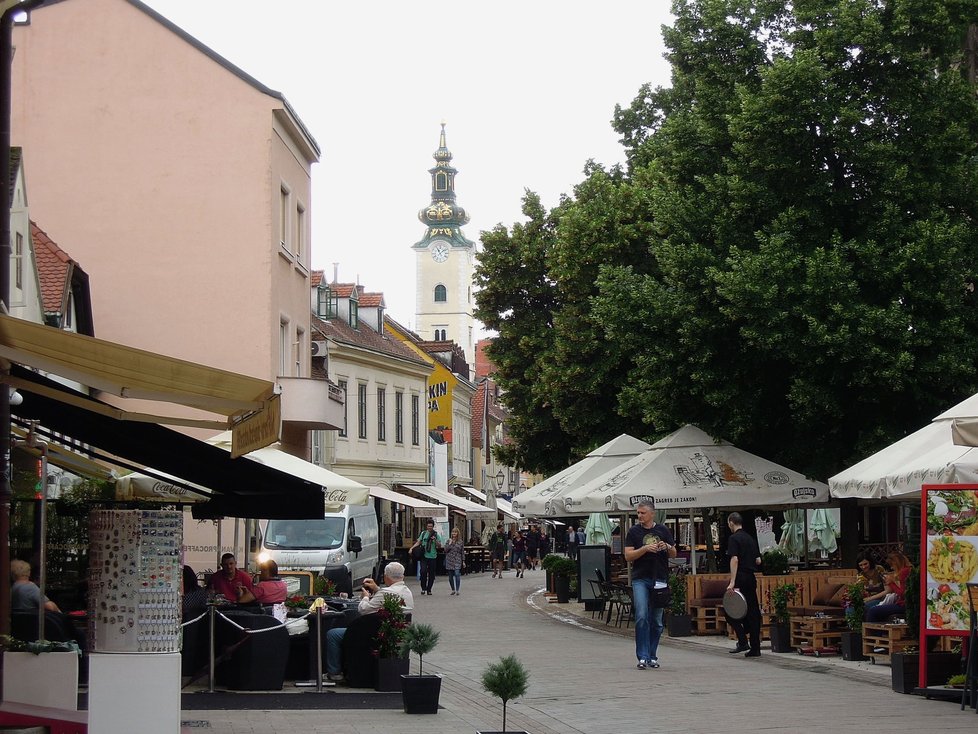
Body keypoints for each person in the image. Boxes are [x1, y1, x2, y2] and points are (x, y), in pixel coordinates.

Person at [325, 561, 414, 683]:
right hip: (394, 634)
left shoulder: (386, 593)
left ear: (385, 576)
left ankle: (334, 672)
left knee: (333, 634)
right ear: (402, 576)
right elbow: (386, 596)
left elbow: (363, 609)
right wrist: (377, 589)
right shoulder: (407, 592)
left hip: (372, 634)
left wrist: (365, 596)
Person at [623, 499, 676, 670]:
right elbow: (628, 556)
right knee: (641, 615)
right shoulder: (633, 532)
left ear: (652, 513)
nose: (639, 516)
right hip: (640, 578)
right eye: (638, 513)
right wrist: (645, 549)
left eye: (643, 513)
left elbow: (674, 553)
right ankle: (643, 656)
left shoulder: (662, 530)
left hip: (659, 578)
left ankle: (652, 655)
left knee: (657, 620)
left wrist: (666, 546)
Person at [725, 511, 762, 658]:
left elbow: (734, 559)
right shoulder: (750, 538)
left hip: (740, 577)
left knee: (730, 610)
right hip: (751, 577)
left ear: (731, 523)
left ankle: (742, 640)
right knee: (752, 612)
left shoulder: (734, 538)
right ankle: (755, 648)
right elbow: (758, 560)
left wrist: (732, 581)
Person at [865, 551, 911, 623]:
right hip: (900, 603)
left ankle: (873, 632)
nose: (892, 568)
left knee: (873, 611)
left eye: (892, 565)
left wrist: (891, 582)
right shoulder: (905, 570)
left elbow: (902, 593)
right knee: (874, 610)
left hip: (903, 604)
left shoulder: (904, 572)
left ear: (896, 563)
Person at [410, 520, 441, 595]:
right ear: (426, 526)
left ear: (433, 526)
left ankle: (429, 589)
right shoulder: (423, 533)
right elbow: (419, 542)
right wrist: (411, 548)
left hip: (433, 556)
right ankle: (423, 588)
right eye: (428, 526)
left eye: (431, 526)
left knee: (431, 574)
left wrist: (435, 540)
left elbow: (439, 545)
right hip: (424, 555)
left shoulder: (436, 534)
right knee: (423, 571)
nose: (429, 527)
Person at [444, 527, 465, 595]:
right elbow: (445, 550)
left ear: (458, 533)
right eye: (453, 532)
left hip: (457, 559)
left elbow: (462, 552)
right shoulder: (448, 541)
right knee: (450, 576)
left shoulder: (460, 542)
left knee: (457, 574)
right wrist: (450, 544)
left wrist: (463, 561)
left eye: (455, 532)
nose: (454, 533)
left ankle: (457, 590)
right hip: (449, 559)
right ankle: (453, 589)